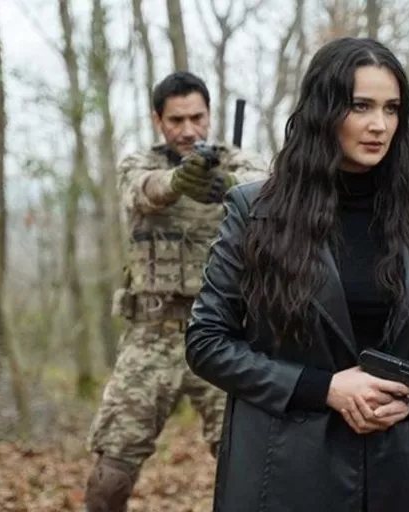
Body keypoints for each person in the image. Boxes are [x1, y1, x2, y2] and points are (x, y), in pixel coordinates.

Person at [184, 37, 409, 512]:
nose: (379, 125)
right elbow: (207, 342)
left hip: (400, 467)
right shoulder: (256, 211)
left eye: (392, 108)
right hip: (287, 472)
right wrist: (324, 389)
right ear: (324, 111)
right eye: (361, 106)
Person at [84, 71, 270, 512]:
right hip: (153, 334)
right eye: (176, 120)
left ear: (210, 115)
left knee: (250, 462)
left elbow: (271, 190)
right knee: (113, 470)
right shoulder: (139, 164)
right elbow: (144, 190)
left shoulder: (240, 162)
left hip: (224, 334)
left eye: (197, 118)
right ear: (158, 120)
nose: (188, 130)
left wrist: (230, 188)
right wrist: (179, 182)